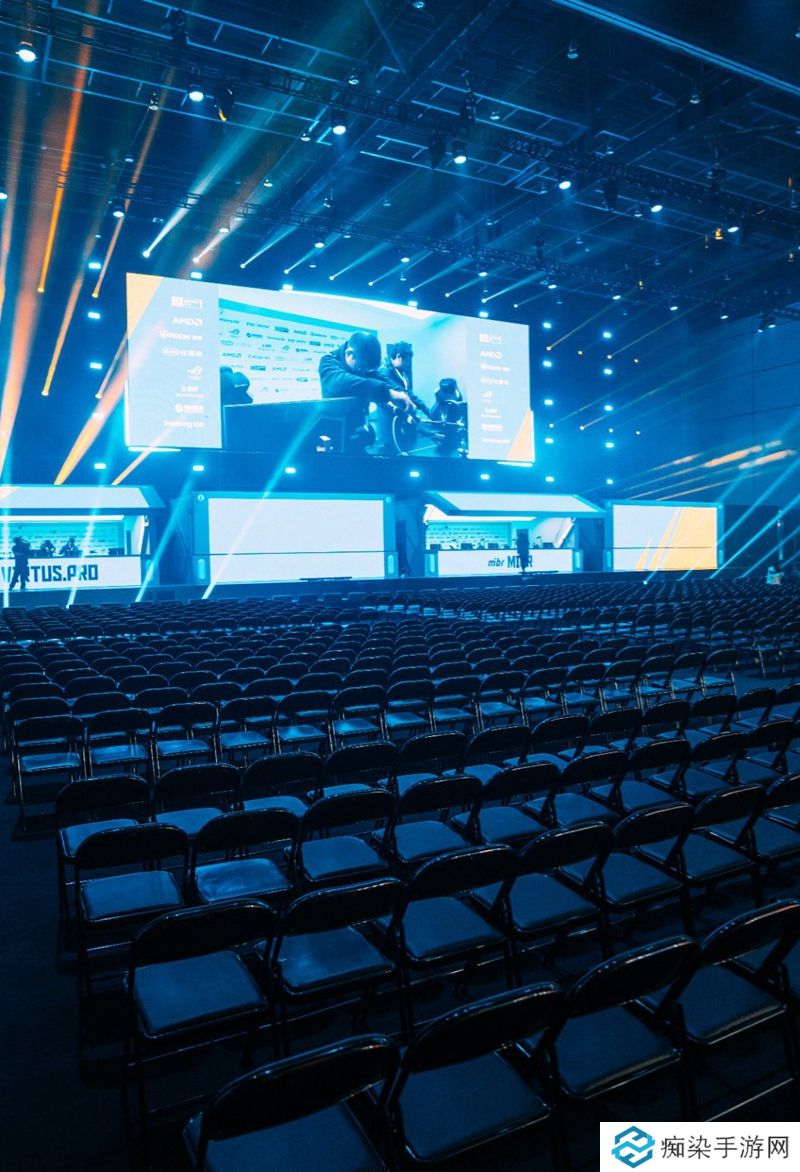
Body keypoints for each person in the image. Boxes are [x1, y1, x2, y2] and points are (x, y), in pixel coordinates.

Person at [319, 332, 412, 455]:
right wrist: (388, 393)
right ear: (349, 353)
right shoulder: (328, 361)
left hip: (359, 428)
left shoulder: (364, 364)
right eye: (360, 367)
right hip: (336, 431)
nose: (363, 372)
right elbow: (339, 382)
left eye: (368, 370)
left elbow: (383, 380)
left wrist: (401, 394)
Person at [379, 342, 431, 417]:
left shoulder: (403, 375)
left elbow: (409, 394)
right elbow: (397, 390)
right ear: (399, 357)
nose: (407, 364)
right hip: (388, 417)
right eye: (406, 361)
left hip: (401, 416)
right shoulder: (383, 371)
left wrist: (426, 409)